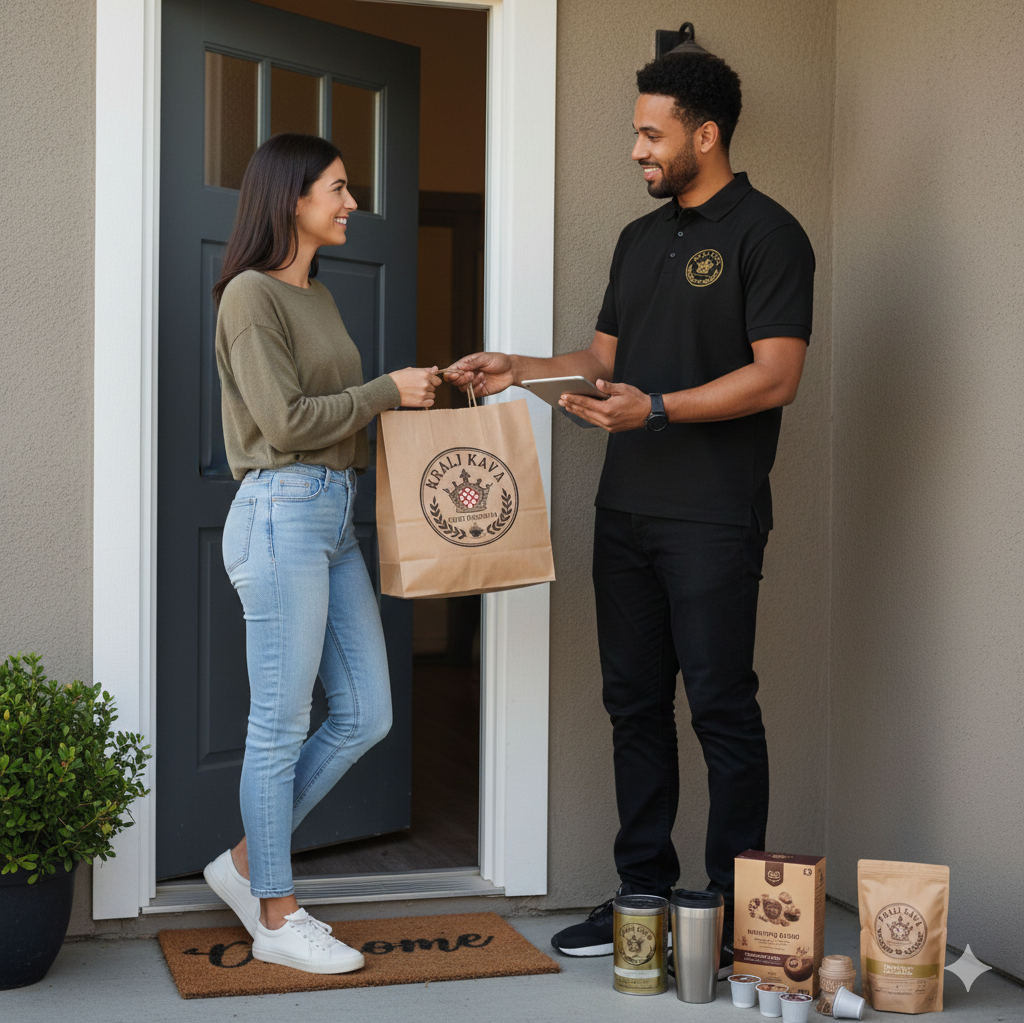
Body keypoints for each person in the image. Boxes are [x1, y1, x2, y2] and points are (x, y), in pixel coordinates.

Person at [445, 47, 814, 971]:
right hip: (627, 513)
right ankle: (643, 897)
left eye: (651, 134)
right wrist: (519, 369)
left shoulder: (770, 234)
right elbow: (603, 361)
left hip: (715, 517)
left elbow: (777, 377)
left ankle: (733, 916)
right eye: (636, 133)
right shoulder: (638, 239)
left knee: (723, 710)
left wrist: (657, 409)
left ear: (705, 133)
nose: (638, 150)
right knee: (634, 707)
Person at [203, 133, 441, 975]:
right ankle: (274, 912)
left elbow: (342, 415)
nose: (350, 204)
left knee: (366, 713)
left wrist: (422, 400)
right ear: (291, 199)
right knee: (278, 727)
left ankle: (241, 863)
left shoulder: (319, 296)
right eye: (338, 190)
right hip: (280, 513)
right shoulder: (249, 297)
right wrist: (385, 391)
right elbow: (287, 423)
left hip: (333, 516)